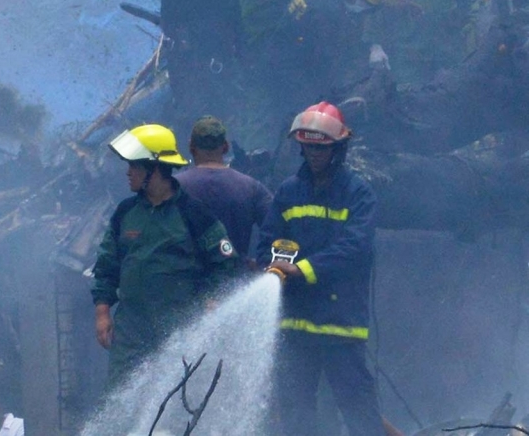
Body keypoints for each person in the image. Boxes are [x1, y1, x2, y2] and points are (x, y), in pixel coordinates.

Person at [258, 102, 383, 436]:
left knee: (359, 410)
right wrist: (273, 265)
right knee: (296, 413)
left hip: (340, 326)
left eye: (321, 147)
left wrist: (304, 269)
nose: (313, 153)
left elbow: (355, 249)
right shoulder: (288, 192)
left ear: (338, 148)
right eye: (308, 147)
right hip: (296, 326)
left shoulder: (358, 194)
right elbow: (268, 241)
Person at [91, 124, 239, 389]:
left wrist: (212, 299)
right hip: (130, 331)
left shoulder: (193, 214)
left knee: (176, 397)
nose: (128, 172)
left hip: (179, 329)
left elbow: (225, 263)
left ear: (155, 169)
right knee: (120, 395)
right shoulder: (125, 213)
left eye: (135, 166)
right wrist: (103, 312)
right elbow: (106, 264)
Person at [283, 0, 394, 94]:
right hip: (289, 84)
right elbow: (337, 59)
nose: (363, 11)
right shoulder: (330, 13)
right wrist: (368, 55)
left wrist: (373, 47)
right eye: (364, 4)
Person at [173, 116, 271, 263]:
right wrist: (261, 264)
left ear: (191, 147)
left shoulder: (173, 187)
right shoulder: (251, 187)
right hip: (237, 281)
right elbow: (279, 229)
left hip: (185, 282)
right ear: (225, 147)